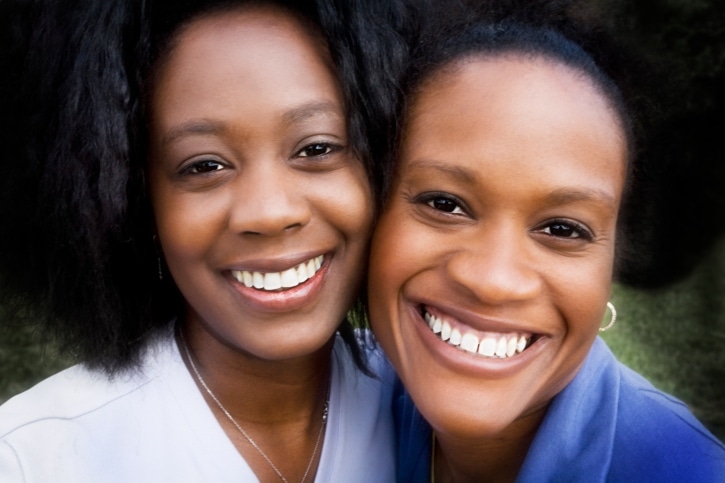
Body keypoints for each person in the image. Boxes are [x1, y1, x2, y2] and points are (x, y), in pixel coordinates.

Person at [0, 0, 398, 481]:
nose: (269, 213)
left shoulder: (424, 402)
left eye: (316, 148)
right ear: (134, 200)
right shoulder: (36, 456)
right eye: (204, 165)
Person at [367, 8, 725, 483]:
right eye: (445, 203)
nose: (493, 281)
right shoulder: (336, 400)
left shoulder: (687, 470)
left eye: (562, 230)